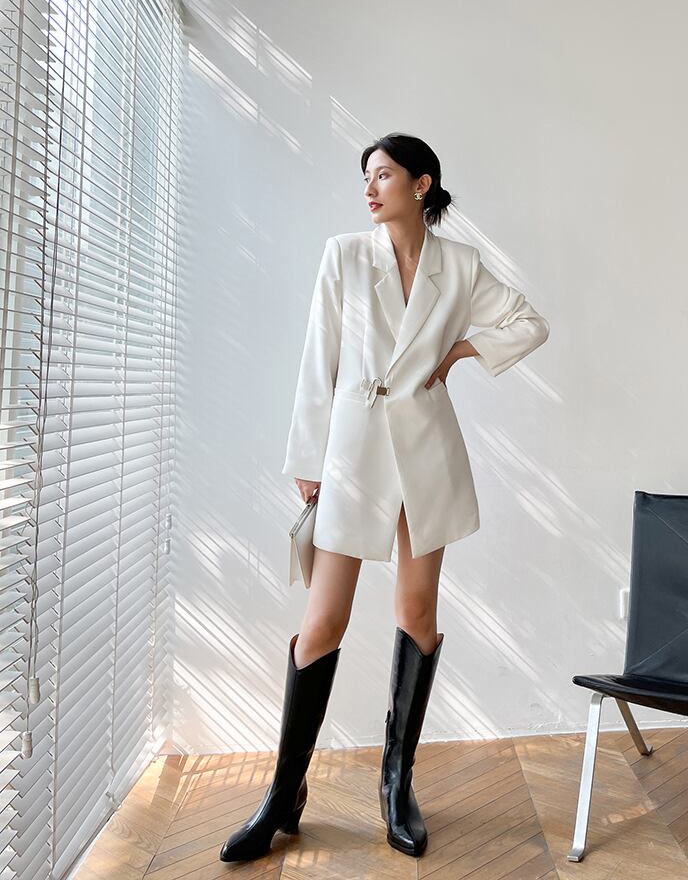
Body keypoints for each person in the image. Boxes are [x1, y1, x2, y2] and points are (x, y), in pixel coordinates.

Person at [219, 132, 550, 863]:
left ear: (421, 184)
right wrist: (308, 458)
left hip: (425, 454)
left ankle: (397, 784)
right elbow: (319, 356)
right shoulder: (344, 255)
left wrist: (463, 350)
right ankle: (283, 793)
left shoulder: (459, 266)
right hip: (353, 453)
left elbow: (530, 323)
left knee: (417, 613)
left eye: (383, 175)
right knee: (323, 622)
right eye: (365, 177)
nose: (369, 188)